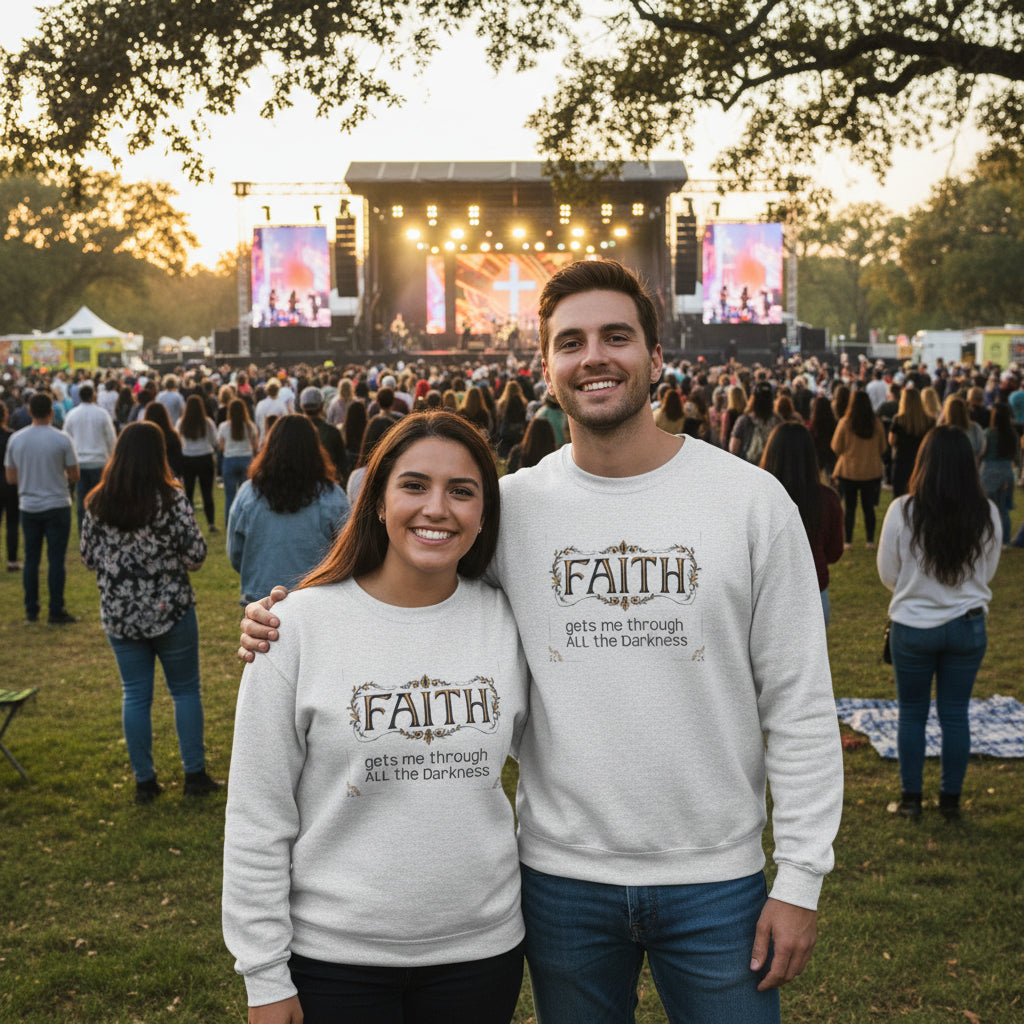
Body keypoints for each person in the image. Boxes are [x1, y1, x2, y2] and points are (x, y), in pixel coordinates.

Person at [240, 259, 843, 1023]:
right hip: (560, 881)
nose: (594, 356)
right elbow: (412, 600)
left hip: (717, 879)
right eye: (571, 342)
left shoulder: (751, 504)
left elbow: (798, 700)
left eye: (616, 336)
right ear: (548, 366)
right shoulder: (510, 510)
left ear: (656, 356)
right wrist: (287, 623)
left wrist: (800, 876)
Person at [223, 411, 529, 1024]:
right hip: (335, 959)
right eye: (414, 485)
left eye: (461, 491)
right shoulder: (295, 629)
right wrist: (263, 974)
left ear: (484, 515)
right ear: (377, 501)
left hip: (481, 950)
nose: (436, 508)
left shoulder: (511, 621)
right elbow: (258, 816)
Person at [79, 422, 219, 804]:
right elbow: (196, 555)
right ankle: (194, 774)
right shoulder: (171, 500)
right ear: (159, 454)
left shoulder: (97, 502)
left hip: (121, 615)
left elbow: (88, 557)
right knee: (185, 690)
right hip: (170, 608)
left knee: (135, 695)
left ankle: (145, 781)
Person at [876, 426, 1001, 821]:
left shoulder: (902, 510)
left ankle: (911, 800)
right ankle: (950, 803)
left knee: (912, 713)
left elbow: (887, 573)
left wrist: (917, 591)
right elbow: (989, 571)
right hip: (967, 626)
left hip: (912, 627)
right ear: (970, 463)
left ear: (923, 462)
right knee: (955, 714)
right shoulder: (988, 514)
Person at [227, 415, 350, 605]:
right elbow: (348, 552)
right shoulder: (332, 496)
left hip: (264, 599)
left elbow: (235, 551)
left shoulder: (248, 494)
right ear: (314, 448)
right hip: (311, 600)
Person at [3, 392, 80, 624]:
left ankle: (31, 611)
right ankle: (56, 610)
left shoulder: (16, 439)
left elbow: (10, 477)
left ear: (29, 412)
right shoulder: (62, 438)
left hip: (29, 504)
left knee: (31, 559)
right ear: (51, 412)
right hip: (57, 503)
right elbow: (74, 474)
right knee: (56, 559)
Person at [760, 422, 844, 626]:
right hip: (812, 594)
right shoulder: (827, 499)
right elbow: (834, 552)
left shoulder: (757, 498)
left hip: (766, 597)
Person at [831, 389, 886, 549]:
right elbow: (883, 447)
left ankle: (848, 541)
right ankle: (870, 540)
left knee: (849, 508)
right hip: (871, 472)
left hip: (848, 471)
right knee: (869, 508)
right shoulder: (877, 424)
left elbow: (836, 446)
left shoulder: (845, 423)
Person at [63, 382, 116, 531]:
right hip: (99, 462)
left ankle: (84, 532)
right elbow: (111, 438)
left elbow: (66, 438)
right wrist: (113, 458)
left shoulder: (72, 415)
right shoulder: (102, 414)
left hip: (79, 463)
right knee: (100, 501)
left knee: (82, 503)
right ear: (93, 395)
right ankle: (100, 531)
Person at [177, 394, 219, 532]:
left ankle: (188, 523)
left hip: (187, 458)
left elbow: (178, 440)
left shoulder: (181, 422)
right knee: (207, 492)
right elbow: (215, 441)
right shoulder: (207, 422)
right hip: (205, 457)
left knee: (188, 492)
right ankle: (211, 523)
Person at [979, 402, 1018, 546]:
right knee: (1003, 509)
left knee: (988, 508)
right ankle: (1005, 540)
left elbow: (982, 452)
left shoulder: (988, 433)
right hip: (1006, 471)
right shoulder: (1012, 434)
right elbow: (1015, 455)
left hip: (988, 471)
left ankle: (988, 538)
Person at [218, 398, 259, 526]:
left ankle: (229, 522)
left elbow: (220, 446)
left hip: (229, 460)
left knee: (230, 495)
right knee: (247, 495)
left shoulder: (224, 426)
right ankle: (246, 522)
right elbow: (254, 446)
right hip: (246, 459)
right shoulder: (250, 426)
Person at [888, 387, 935, 498]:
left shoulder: (898, 420)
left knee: (900, 499)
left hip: (902, 463)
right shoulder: (929, 421)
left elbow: (891, 441)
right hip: (922, 463)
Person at [298, 385, 348, 484]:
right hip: (327, 484)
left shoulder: (295, 432)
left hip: (300, 485)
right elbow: (342, 465)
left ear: (301, 406)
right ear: (322, 406)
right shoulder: (332, 432)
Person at [729, 381, 781, 463]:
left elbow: (733, 448)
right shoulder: (778, 421)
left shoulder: (744, 420)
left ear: (753, 399)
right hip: (771, 467)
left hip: (749, 467)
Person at [0, 402, 21, 572]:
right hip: (10, 482)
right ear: (5, 415)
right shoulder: (12, 436)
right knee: (13, 522)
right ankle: (12, 560)